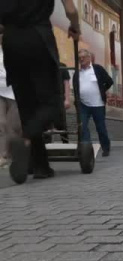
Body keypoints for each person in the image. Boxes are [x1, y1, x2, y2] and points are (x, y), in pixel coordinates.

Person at [0, 0, 80, 182]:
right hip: (38, 38)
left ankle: (40, 166)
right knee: (51, 103)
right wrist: (75, 27)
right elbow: (71, 10)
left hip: (11, 42)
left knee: (27, 105)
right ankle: (25, 138)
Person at [74, 49, 113, 157]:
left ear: (89, 58)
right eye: (79, 58)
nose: (81, 59)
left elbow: (110, 81)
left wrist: (103, 90)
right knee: (82, 126)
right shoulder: (77, 73)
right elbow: (76, 88)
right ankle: (87, 148)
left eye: (83, 57)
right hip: (83, 105)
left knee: (100, 128)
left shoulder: (97, 69)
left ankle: (106, 148)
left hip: (98, 104)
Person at [0, 39, 21, 168]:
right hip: (0, 91)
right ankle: (2, 156)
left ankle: (12, 155)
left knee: (12, 126)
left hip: (15, 92)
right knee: (1, 124)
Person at [45, 62, 72, 144]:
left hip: (58, 99)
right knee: (46, 124)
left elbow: (66, 83)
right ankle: (46, 146)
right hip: (45, 99)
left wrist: (67, 99)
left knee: (61, 124)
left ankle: (66, 144)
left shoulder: (62, 66)